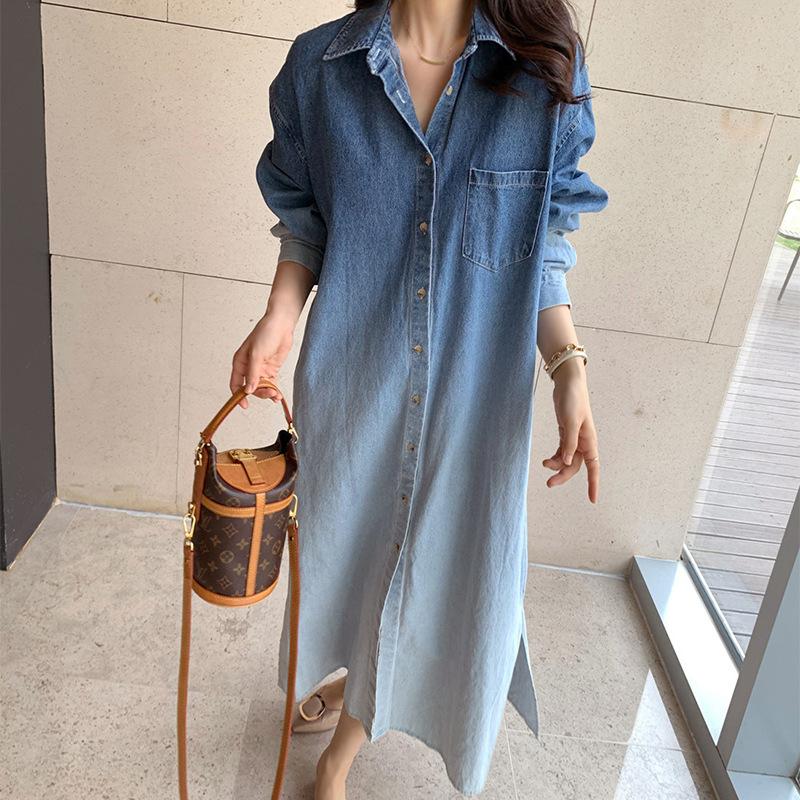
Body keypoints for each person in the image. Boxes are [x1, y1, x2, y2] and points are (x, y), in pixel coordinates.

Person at [231, 0, 608, 797]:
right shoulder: (320, 69)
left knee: (446, 570)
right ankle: (358, 679)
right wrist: (277, 319)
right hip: (356, 382)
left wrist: (568, 367)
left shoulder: (544, 74)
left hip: (475, 402)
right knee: (358, 554)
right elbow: (306, 223)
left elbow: (543, 244)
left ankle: (339, 757)